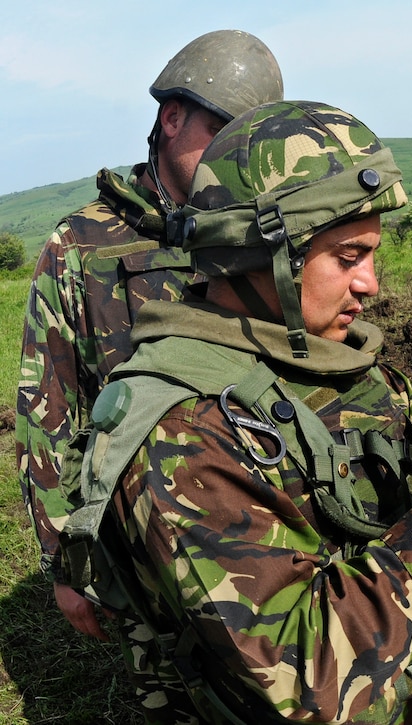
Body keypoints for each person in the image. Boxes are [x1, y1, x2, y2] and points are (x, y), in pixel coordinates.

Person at [58, 100, 412, 724]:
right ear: (256, 255)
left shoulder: (313, 356)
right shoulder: (180, 435)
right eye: (347, 258)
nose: (370, 284)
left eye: (371, 254)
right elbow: (302, 685)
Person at [16, 29, 284, 643]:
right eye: (224, 133)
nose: (235, 160)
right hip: (141, 535)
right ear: (171, 117)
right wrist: (67, 563)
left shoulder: (259, 233)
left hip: (259, 523)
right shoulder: (80, 247)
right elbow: (46, 411)